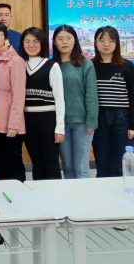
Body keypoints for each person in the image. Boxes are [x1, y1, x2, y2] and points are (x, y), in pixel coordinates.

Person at [92, 26, 134, 178]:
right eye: (102, 40)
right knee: (102, 163)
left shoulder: (126, 65)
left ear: (117, 43)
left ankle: (125, 191)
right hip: (99, 118)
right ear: (95, 42)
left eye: (111, 40)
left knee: (123, 163)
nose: (106, 44)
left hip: (122, 118)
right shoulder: (90, 66)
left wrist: (133, 125)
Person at [52, 25, 98, 180]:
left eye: (68, 38)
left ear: (75, 41)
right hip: (60, 123)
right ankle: (70, 195)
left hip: (82, 123)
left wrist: (91, 120)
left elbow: (91, 94)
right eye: (60, 39)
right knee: (68, 167)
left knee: (81, 166)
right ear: (54, 42)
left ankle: (85, 195)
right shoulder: (52, 65)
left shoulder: (85, 63)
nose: (64, 42)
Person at [21, 27, 65, 180]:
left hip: (48, 120)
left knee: (51, 166)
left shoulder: (52, 65)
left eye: (35, 41)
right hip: (27, 120)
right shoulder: (21, 65)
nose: (31, 45)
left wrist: (60, 127)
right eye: (27, 41)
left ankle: (55, 195)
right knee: (37, 165)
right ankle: (39, 194)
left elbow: (59, 98)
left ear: (43, 43)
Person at [0, 22, 26, 182]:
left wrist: (14, 124)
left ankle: (20, 195)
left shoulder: (15, 61)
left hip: (10, 124)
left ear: (6, 37)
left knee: (13, 165)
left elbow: (19, 94)